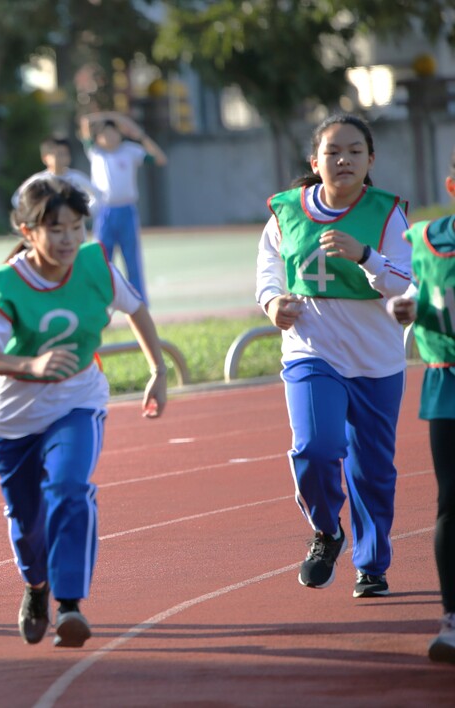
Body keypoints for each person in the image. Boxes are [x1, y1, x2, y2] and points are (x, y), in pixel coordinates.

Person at [0, 177, 167, 648]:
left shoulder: (97, 265)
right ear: (27, 229)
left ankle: (71, 604)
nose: (68, 239)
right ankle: (36, 588)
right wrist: (27, 363)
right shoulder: (7, 285)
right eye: (56, 228)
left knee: (69, 488)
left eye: (77, 227)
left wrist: (157, 369)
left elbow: (136, 309)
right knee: (25, 518)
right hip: (17, 418)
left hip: (79, 399)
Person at [256, 114, 411, 598]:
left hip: (376, 359)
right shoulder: (286, 211)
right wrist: (272, 303)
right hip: (310, 350)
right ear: (314, 161)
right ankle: (327, 531)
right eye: (332, 152)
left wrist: (366, 257)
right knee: (316, 449)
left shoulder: (387, 214)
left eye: (354, 152)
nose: (343, 160)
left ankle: (371, 564)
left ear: (370, 160)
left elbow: (405, 284)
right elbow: (267, 271)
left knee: (372, 470)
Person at [388, 145, 455, 664]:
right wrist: (402, 306)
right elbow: (411, 293)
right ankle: (452, 617)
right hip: (447, 383)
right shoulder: (427, 241)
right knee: (451, 503)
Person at [78, 110, 167, 304]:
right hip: (104, 212)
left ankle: (138, 301)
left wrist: (136, 132)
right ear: (98, 138)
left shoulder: (130, 150)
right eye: (105, 133)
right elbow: (85, 122)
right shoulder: (96, 152)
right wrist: (106, 115)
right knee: (102, 259)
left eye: (114, 132)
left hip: (126, 211)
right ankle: (102, 300)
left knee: (131, 259)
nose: (110, 137)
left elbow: (160, 159)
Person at [11, 135, 101, 214]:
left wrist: (85, 210)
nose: (62, 157)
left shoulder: (76, 177)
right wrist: (35, 214)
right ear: (45, 158)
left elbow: (97, 194)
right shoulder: (39, 180)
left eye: (65, 154)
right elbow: (17, 199)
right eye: (58, 154)